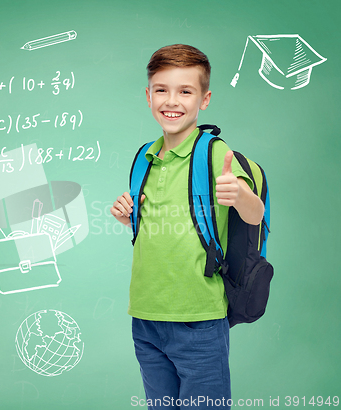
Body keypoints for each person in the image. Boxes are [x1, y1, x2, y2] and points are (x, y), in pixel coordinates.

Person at [110, 45, 265, 409]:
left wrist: (239, 194)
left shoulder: (214, 153)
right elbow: (157, 226)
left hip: (198, 320)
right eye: (161, 90)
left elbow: (255, 214)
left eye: (185, 91)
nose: (171, 101)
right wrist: (125, 217)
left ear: (205, 99)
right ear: (148, 96)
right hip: (145, 316)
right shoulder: (144, 156)